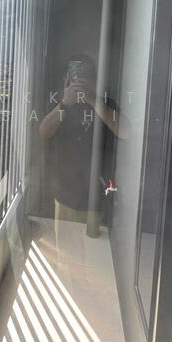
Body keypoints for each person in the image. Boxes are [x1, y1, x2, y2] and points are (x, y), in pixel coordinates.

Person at [39, 54, 128, 284]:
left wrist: (90, 98)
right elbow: (44, 132)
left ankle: (93, 291)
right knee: (66, 253)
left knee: (96, 255)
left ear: (94, 79)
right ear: (65, 78)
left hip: (97, 195)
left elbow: (126, 131)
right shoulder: (60, 104)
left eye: (85, 75)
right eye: (75, 75)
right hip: (65, 194)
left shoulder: (106, 103)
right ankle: (69, 287)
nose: (80, 80)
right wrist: (65, 103)